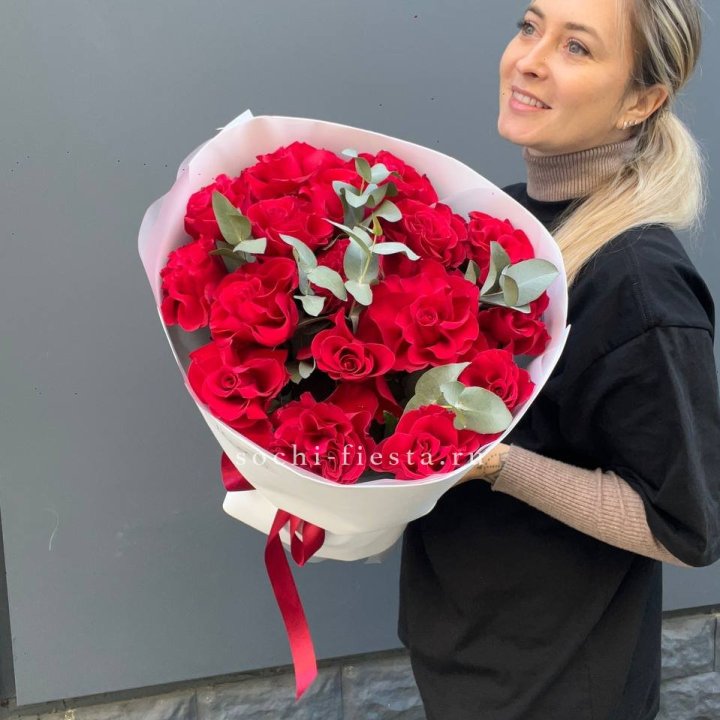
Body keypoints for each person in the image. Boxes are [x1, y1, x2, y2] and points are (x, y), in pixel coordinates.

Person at [398, 1, 720, 718]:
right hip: (462, 654)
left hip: (560, 688)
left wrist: (493, 462)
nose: (530, 60)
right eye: (529, 26)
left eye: (577, 47)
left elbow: (683, 528)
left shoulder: (636, 281)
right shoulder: (501, 225)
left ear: (641, 101)